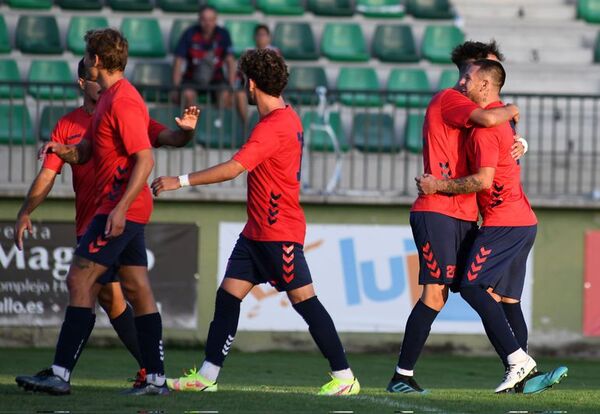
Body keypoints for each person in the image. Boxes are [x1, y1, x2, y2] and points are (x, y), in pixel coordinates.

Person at [152, 48, 360, 396]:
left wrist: (181, 180)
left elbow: (234, 168)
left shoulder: (273, 127)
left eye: (241, 80)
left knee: (306, 302)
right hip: (256, 233)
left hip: (279, 233)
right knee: (227, 297)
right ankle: (206, 376)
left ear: (250, 84)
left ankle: (344, 377)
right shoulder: (285, 118)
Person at [14, 59, 198, 391]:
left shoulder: (123, 106)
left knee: (84, 282)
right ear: (84, 82)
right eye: (94, 78)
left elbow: (161, 139)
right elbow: (54, 170)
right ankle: (153, 375)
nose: (101, 82)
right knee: (123, 293)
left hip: (114, 214)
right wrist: (26, 210)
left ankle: (62, 373)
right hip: (95, 218)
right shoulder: (73, 122)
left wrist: (185, 133)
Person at [416, 59, 568, 393]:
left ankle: (518, 361)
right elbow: (506, 143)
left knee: (470, 286)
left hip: (504, 223)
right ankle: (524, 379)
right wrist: (521, 136)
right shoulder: (503, 118)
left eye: (467, 78)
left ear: (485, 84)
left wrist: (436, 185)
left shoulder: (487, 126)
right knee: (507, 300)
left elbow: (484, 181)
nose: (461, 83)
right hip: (524, 222)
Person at [386, 41, 526, 394]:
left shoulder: (474, 109)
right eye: (480, 74)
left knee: (486, 293)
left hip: (465, 214)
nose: (485, 85)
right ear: (469, 74)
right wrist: (512, 109)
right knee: (435, 294)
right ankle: (402, 376)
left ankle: (519, 369)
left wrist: (521, 142)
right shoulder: (450, 100)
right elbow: (490, 117)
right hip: (437, 211)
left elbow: (496, 145)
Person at [172, 5, 236, 110]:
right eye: (204, 19)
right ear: (199, 19)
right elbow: (178, 61)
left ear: (215, 20)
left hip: (217, 78)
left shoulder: (223, 34)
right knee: (187, 95)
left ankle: (218, 124)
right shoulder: (189, 33)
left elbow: (230, 61)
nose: (207, 23)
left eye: (211, 20)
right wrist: (175, 88)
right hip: (192, 77)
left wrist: (231, 87)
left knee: (226, 96)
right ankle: (194, 125)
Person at [235, 24, 279, 130]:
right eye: (259, 35)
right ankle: (247, 127)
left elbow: (277, 74)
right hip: (251, 89)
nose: (261, 38)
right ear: (254, 37)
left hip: (269, 89)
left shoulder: (275, 53)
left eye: (264, 35)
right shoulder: (248, 52)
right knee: (239, 94)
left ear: (269, 38)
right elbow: (240, 74)